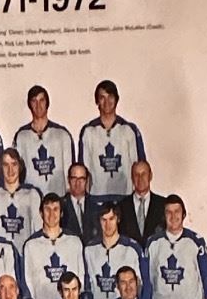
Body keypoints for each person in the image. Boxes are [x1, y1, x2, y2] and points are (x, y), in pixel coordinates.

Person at [77, 79, 146, 208]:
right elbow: (83, 169)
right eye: (102, 97)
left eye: (110, 97)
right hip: (96, 199)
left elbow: (140, 166)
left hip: (125, 198)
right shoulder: (88, 131)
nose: (107, 102)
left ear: (117, 99)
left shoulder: (129, 130)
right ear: (97, 101)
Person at [21, 193, 86, 299]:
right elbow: (27, 280)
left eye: (55, 209)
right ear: (41, 213)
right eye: (47, 209)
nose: (51, 214)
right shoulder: (31, 245)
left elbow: (82, 275)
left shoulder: (74, 241)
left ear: (61, 213)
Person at [13, 84, 75, 199]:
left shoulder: (62, 134)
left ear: (47, 103)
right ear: (29, 105)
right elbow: (17, 171)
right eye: (34, 101)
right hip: (32, 200)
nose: (38, 105)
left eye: (42, 100)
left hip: (58, 199)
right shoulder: (22, 136)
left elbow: (70, 169)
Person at [83, 203, 147, 299]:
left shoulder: (132, 248)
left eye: (111, 219)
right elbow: (87, 285)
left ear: (118, 219)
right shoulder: (89, 249)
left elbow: (142, 285)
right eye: (104, 220)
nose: (108, 224)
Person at [0, 147, 42, 254]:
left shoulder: (32, 194)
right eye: (6, 165)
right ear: (0, 167)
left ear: (20, 166)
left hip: (25, 254)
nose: (10, 170)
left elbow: (39, 231)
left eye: (14, 164)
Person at [116, 158, 167, 249]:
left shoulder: (163, 205)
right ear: (132, 178)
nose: (140, 178)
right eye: (136, 175)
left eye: (144, 174)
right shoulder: (121, 206)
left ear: (150, 176)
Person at [62, 162, 98, 241]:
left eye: (82, 178)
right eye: (74, 178)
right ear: (68, 180)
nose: (78, 183)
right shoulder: (60, 206)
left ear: (87, 180)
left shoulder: (96, 206)